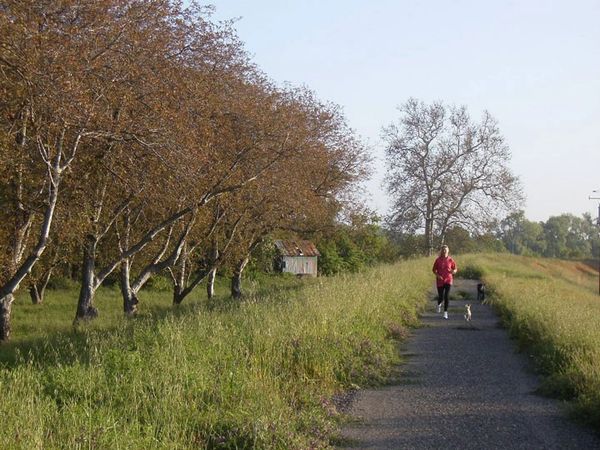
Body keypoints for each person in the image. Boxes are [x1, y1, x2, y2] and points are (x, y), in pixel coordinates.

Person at [432, 245, 457, 319]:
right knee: (441, 296)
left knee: (446, 296)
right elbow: (433, 270)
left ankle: (445, 312)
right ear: (441, 251)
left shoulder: (451, 260)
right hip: (440, 280)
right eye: (443, 250)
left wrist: (453, 271)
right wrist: (438, 275)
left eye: (446, 250)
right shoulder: (438, 260)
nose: (444, 251)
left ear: (448, 251)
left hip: (448, 279)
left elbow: (455, 269)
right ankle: (439, 305)